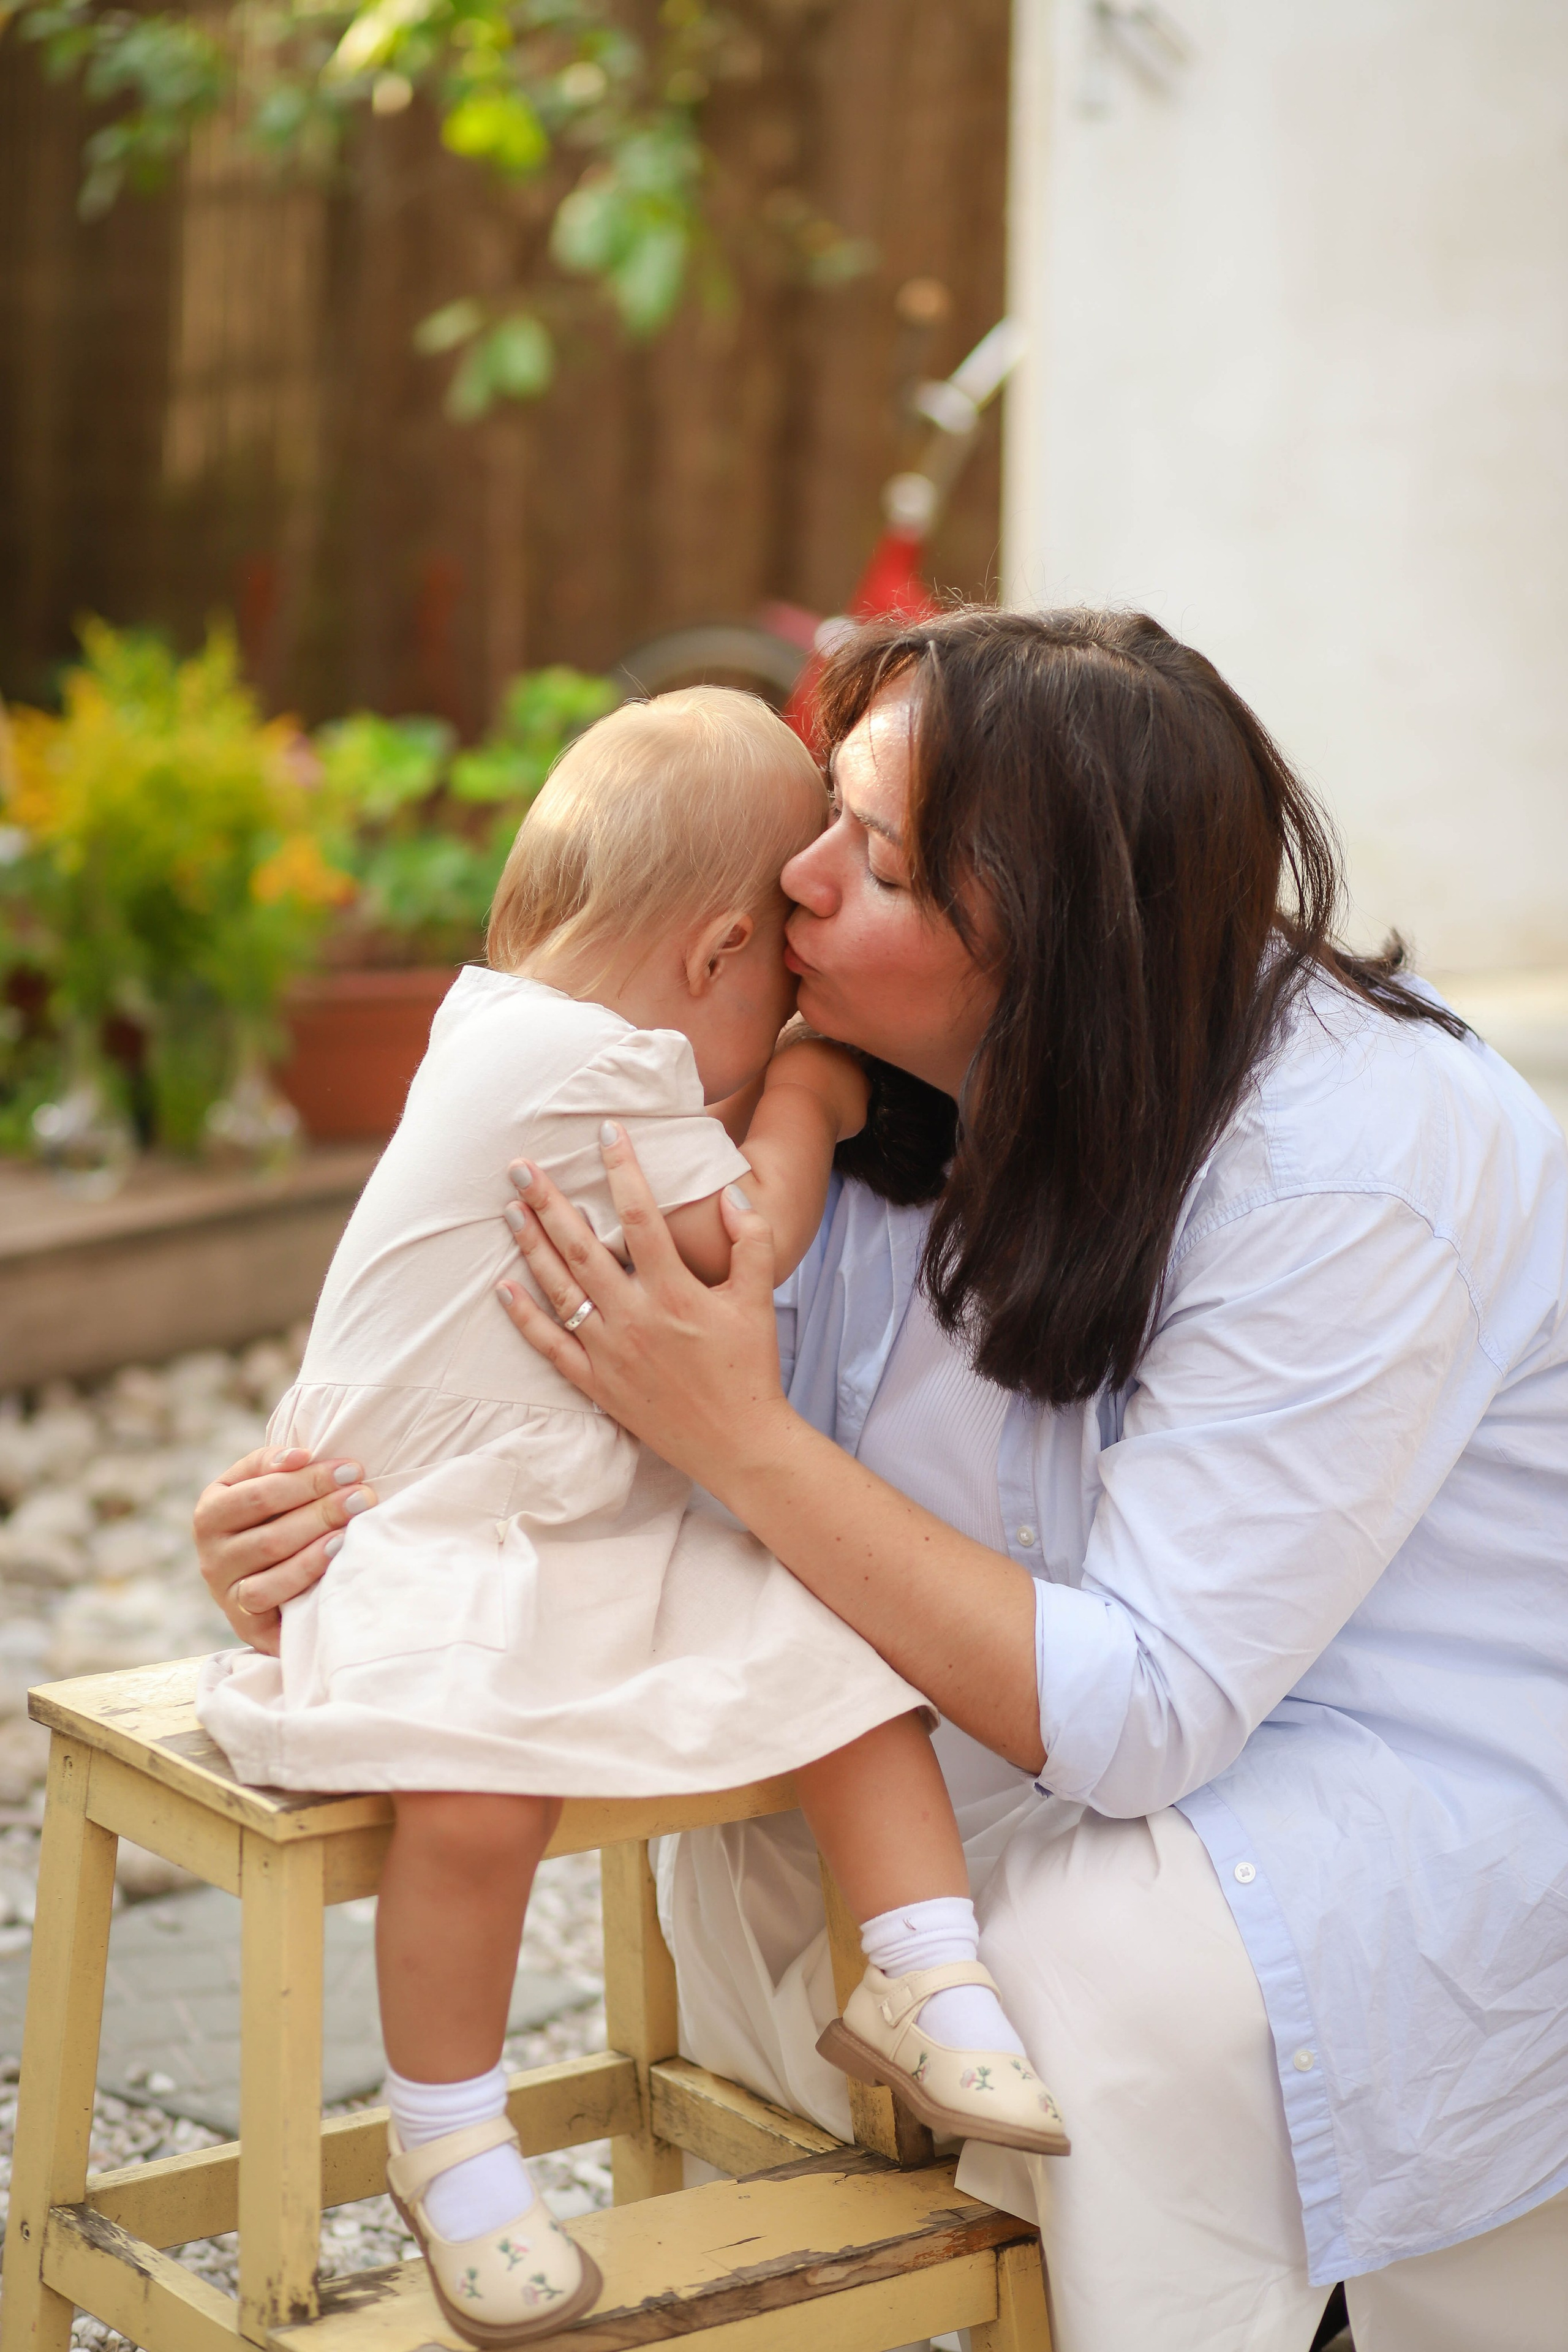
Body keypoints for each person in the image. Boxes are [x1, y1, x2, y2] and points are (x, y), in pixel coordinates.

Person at [195, 611, 1568, 2352]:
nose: (801, 879)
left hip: (1371, 1760)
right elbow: (524, 1388)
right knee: (767, 1853)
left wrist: (743, 1443)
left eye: (883, 865)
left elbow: (1152, 1705)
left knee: (1094, 1985)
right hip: (998, 1707)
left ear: (1056, 950)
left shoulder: (1356, 1168)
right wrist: (329, 1520)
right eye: (829, 810)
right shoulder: (808, 1076)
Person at [197, 684, 1062, 2351]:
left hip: (573, 1519)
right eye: (781, 987)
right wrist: (804, 1098)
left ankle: (924, 1968)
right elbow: (741, 1254)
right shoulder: (594, 1066)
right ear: (716, 959)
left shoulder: (510, 1029)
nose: (780, 1029)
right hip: (431, 1534)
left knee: (839, 1639)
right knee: (480, 1791)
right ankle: (446, 2141)